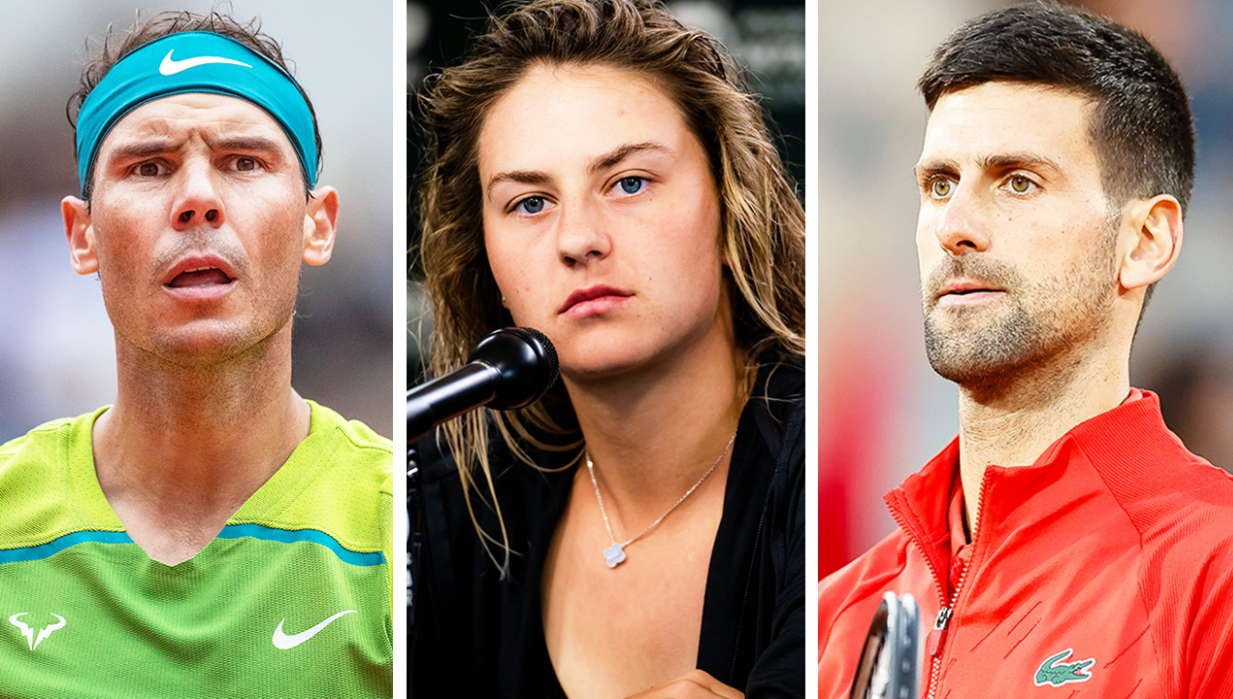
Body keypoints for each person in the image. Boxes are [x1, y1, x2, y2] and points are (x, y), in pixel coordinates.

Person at [818, 4, 1233, 697]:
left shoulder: (1221, 573)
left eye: (1019, 181)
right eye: (940, 184)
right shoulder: (836, 617)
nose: (955, 226)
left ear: (1146, 241)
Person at [410, 0, 805, 697]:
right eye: (530, 202)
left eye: (628, 183)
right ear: (489, 263)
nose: (577, 238)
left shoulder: (832, 464)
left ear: (730, 203)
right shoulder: (450, 498)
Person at [0, 11, 392, 697]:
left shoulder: (403, 527)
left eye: (244, 161)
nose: (198, 199)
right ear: (81, 235)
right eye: (149, 167)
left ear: (317, 224)